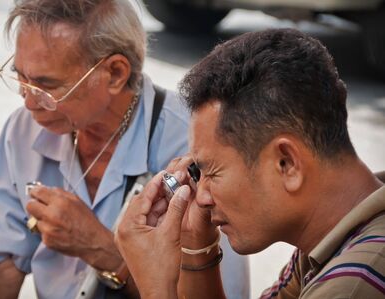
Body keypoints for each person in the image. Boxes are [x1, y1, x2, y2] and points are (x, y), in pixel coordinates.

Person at [0, 1, 249, 299]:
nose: (28, 101)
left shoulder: (195, 143)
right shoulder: (24, 131)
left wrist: (100, 248)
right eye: (20, 77)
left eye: (46, 86)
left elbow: (221, 294)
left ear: (115, 73)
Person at [115, 28, 385, 299]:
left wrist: (156, 287)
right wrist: (196, 246)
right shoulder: (339, 235)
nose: (203, 197)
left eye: (213, 172)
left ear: (286, 163)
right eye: (200, 173)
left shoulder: (352, 285)